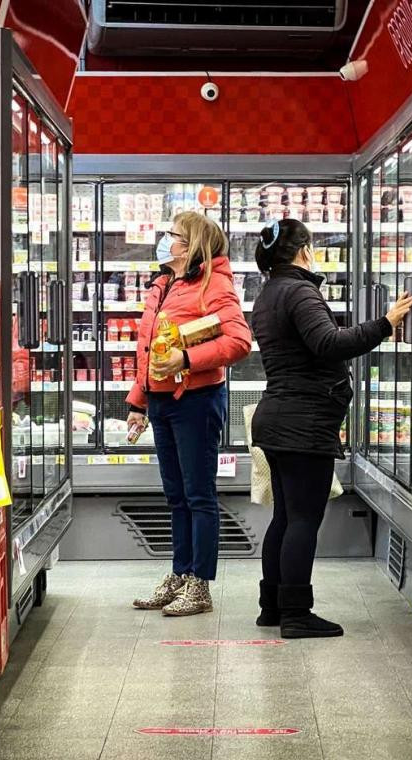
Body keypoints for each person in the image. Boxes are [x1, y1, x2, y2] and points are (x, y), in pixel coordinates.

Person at [250, 219, 412, 638]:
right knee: (304, 518)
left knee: (286, 517)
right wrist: (385, 323)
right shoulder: (300, 290)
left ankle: (271, 606)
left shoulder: (269, 292)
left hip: (277, 417)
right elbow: (329, 343)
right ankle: (296, 613)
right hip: (303, 421)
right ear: (304, 251)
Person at [127, 212, 251, 616]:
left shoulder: (214, 285)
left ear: (191, 245)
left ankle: (200, 584)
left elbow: (239, 341)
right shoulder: (163, 284)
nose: (166, 241)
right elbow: (148, 349)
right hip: (161, 402)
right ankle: (180, 574)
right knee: (176, 496)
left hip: (196, 401)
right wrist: (138, 403)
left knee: (199, 496)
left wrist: (188, 357)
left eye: (172, 235)